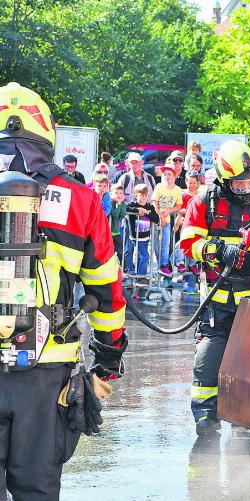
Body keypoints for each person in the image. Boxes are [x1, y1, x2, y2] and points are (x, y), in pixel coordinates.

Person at [0, 82, 126, 500]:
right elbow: (105, 287)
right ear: (45, 132)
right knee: (36, 490)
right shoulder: (80, 198)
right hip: (44, 369)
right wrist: (108, 357)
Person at [179, 141, 250, 435]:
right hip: (219, 295)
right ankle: (205, 416)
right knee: (209, 354)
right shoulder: (204, 202)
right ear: (224, 180)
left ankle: (244, 420)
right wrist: (216, 249)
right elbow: (188, 243)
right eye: (239, 184)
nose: (246, 189)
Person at [152, 165, 183, 277]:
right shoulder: (159, 187)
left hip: (167, 219)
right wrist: (160, 216)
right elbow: (155, 203)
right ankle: (161, 264)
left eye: (169, 174)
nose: (167, 176)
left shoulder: (178, 190)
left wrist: (169, 211)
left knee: (166, 243)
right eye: (164, 174)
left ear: (175, 176)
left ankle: (164, 264)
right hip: (156, 219)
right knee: (156, 243)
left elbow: (179, 206)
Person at [126, 183, 159, 278]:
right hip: (135, 236)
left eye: (145, 195)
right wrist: (137, 210)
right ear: (136, 195)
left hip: (145, 237)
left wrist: (147, 213)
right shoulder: (133, 204)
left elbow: (156, 219)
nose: (143, 197)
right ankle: (140, 277)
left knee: (142, 257)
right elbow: (125, 208)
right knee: (144, 257)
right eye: (141, 195)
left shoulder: (149, 206)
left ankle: (139, 277)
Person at [110, 183, 127, 261]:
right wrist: (118, 204)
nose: (118, 195)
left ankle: (124, 267)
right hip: (109, 231)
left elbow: (123, 214)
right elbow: (115, 214)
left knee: (120, 249)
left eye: (120, 193)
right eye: (116, 193)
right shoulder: (111, 202)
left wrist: (120, 203)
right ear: (111, 193)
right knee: (110, 251)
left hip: (116, 231)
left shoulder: (122, 203)